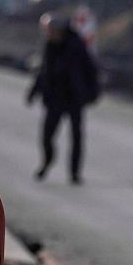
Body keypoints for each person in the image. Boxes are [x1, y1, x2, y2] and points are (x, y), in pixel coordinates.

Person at [26, 13, 99, 185]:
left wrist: (92, 93)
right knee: (47, 136)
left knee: (76, 137)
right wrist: (33, 91)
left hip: (74, 98)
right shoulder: (49, 46)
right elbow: (43, 71)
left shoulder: (76, 46)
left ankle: (74, 173)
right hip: (54, 98)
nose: (47, 33)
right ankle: (47, 161)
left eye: (50, 30)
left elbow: (91, 71)